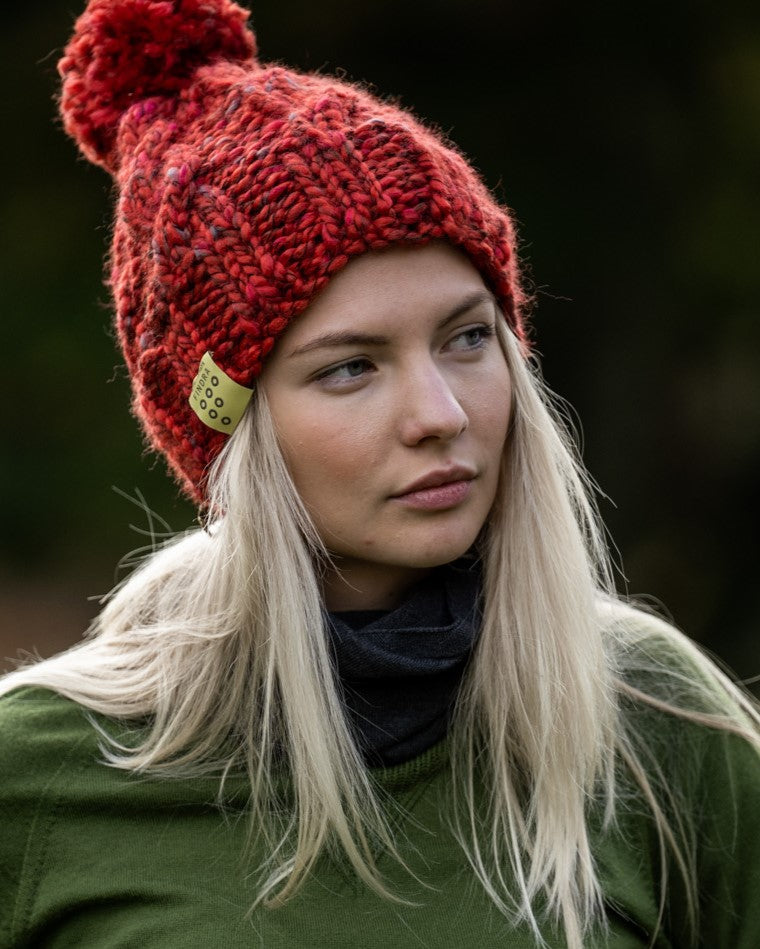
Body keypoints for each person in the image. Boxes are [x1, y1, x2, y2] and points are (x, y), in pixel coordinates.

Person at [1, 1, 758, 946]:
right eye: (351, 366)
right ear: (229, 429)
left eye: (467, 337)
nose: (440, 414)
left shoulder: (654, 717)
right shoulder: (38, 778)